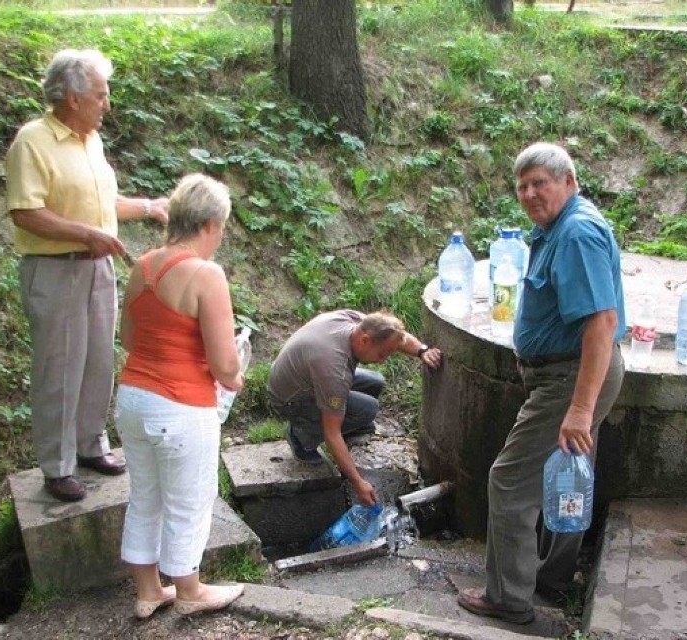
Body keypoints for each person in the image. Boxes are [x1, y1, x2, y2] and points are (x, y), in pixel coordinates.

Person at [457, 142, 626, 625]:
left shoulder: (576, 233)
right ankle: (553, 576)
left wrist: (578, 407)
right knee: (565, 477)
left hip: (573, 378)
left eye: (541, 183)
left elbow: (602, 321)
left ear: (569, 181)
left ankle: (509, 599)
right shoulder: (557, 227)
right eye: (522, 186)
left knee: (509, 481)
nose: (530, 193)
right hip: (568, 374)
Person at [5, 49, 169, 502]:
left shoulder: (89, 141)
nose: (107, 103)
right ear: (73, 98)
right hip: (56, 271)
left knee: (98, 359)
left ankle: (91, 444)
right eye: (101, 95)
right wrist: (85, 235)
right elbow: (25, 212)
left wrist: (151, 207)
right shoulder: (33, 142)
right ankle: (57, 466)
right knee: (59, 368)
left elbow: (102, 204)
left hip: (97, 267)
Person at [115, 173, 244, 619]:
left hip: (133, 398)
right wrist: (235, 377)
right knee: (191, 495)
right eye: (222, 227)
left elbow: (129, 339)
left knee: (146, 495)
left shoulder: (144, 265)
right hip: (180, 404)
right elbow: (225, 364)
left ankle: (148, 590)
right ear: (210, 224)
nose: (221, 237)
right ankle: (189, 589)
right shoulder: (206, 275)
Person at [268, 310, 442, 506]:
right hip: (290, 399)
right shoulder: (334, 369)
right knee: (367, 409)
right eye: (382, 353)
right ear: (365, 340)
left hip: (300, 374)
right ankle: (301, 437)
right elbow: (331, 432)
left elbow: (398, 337)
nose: (383, 360)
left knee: (375, 382)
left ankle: (346, 424)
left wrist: (423, 350)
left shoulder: (358, 323)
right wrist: (358, 482)